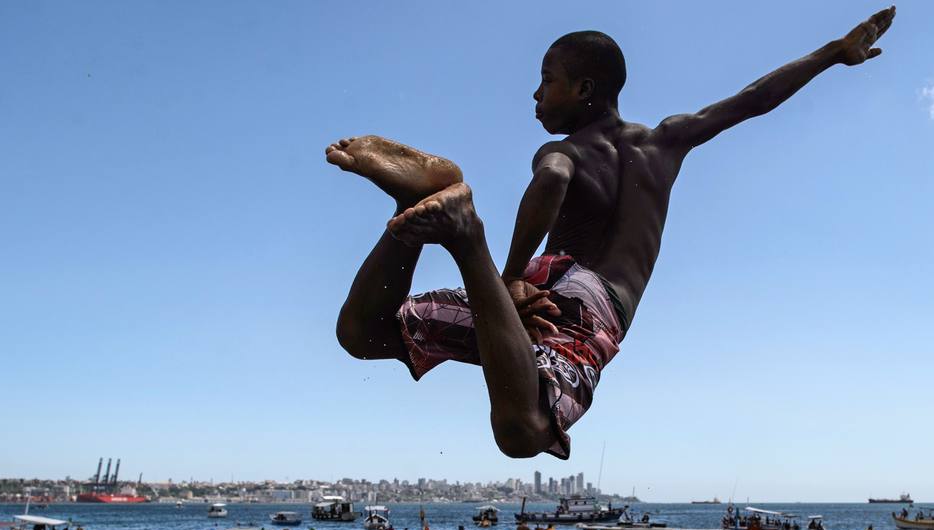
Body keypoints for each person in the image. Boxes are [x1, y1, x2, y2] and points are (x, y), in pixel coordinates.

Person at [326, 9, 896, 459]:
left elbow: (551, 179)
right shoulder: (668, 140)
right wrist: (832, 54)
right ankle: (459, 233)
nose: (535, 94)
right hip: (584, 307)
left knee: (364, 332)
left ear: (584, 89)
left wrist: (512, 278)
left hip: (546, 289)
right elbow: (752, 101)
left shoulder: (563, 150)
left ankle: (415, 208)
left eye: (546, 81)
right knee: (524, 432)